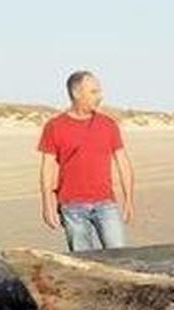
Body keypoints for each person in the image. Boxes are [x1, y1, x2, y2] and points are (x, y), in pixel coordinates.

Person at [38, 70, 135, 251]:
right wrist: (47, 204)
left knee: (119, 255)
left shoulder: (108, 125)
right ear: (76, 93)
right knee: (83, 260)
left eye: (99, 91)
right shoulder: (54, 127)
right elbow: (47, 168)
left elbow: (123, 163)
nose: (100, 96)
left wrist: (129, 200)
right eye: (93, 92)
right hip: (72, 206)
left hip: (106, 203)